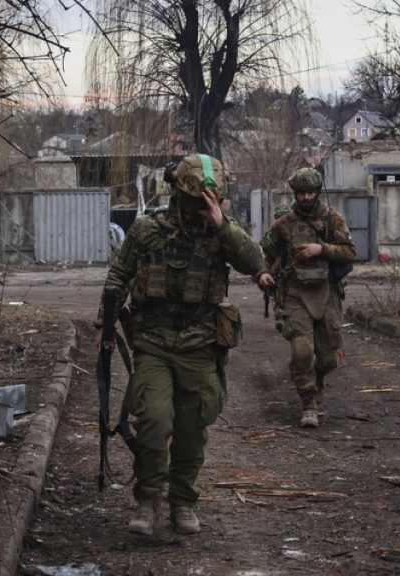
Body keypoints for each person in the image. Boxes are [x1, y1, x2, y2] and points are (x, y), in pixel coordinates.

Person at [96, 154, 263, 535]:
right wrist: (104, 326)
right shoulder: (147, 230)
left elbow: (255, 262)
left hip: (201, 344)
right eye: (196, 200)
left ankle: (183, 502)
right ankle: (148, 499)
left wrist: (222, 226)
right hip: (153, 341)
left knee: (192, 428)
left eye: (211, 200)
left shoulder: (221, 231)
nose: (202, 207)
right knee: (153, 420)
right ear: (178, 196)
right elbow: (119, 275)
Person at [256, 167, 357, 428]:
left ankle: (318, 379)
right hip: (295, 293)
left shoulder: (333, 219)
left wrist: (320, 249)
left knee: (328, 356)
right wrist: (263, 274)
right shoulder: (283, 225)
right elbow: (265, 253)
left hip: (327, 292)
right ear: (295, 194)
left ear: (318, 192)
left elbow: (349, 251)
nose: (306, 198)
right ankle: (308, 402)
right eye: (302, 193)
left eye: (311, 192)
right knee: (302, 352)